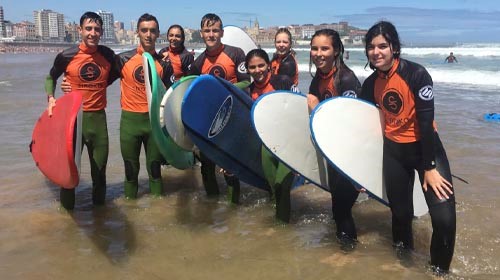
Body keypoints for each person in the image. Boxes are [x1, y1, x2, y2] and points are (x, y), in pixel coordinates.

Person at [359, 21, 456, 275]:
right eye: (371, 47)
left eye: (382, 46)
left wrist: (429, 167)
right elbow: (364, 128)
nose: (376, 52)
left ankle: (439, 273)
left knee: (444, 222)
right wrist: (359, 169)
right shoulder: (369, 85)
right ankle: (403, 267)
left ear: (394, 48)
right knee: (401, 216)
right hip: (394, 153)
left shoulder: (416, 74)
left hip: (427, 150)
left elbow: (425, 123)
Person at [45, 11, 118, 210]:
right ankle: (67, 220)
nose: (92, 33)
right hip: (73, 122)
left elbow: (117, 73)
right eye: (88, 28)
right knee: (68, 174)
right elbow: (51, 77)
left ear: (102, 32)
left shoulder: (108, 55)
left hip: (98, 121)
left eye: (96, 29)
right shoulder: (67, 56)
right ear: (80, 30)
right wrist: (52, 99)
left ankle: (100, 219)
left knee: (100, 173)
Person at [306, 29, 362, 248]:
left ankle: (347, 252)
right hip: (332, 151)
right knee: (337, 202)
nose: (318, 53)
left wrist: (316, 108)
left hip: (351, 154)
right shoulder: (317, 80)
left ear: (336, 50)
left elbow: (353, 124)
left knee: (341, 207)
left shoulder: (346, 80)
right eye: (314, 48)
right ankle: (343, 246)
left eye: (324, 48)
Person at [188, 13, 251, 204]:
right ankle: (211, 207)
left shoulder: (236, 53)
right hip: (209, 121)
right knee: (206, 166)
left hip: (233, 118)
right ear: (202, 33)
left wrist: (223, 90)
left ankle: (233, 209)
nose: (211, 34)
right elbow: (190, 92)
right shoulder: (198, 63)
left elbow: (247, 82)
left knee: (230, 167)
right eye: (207, 31)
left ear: (222, 32)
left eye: (215, 30)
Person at [114, 13, 173, 199]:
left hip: (153, 124)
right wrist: (68, 84)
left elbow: (170, 96)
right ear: (137, 33)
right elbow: (100, 82)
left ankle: (159, 213)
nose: (148, 35)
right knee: (131, 172)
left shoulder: (164, 63)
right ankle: (130, 211)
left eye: (153, 31)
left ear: (158, 34)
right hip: (130, 124)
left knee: (155, 171)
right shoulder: (123, 59)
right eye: (144, 30)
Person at [246, 48, 298, 222]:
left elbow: (298, 108)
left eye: (261, 65)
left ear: (269, 65)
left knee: (281, 185)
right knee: (272, 188)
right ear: (247, 69)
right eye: (252, 67)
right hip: (266, 145)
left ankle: (282, 226)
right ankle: (280, 230)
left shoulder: (282, 81)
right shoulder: (248, 91)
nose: (257, 70)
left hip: (288, 142)